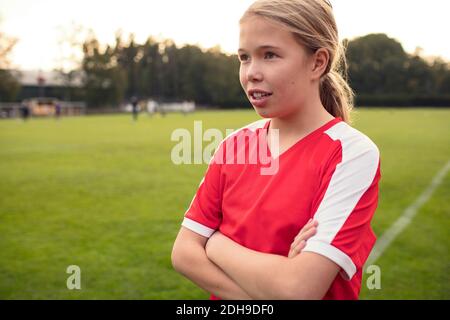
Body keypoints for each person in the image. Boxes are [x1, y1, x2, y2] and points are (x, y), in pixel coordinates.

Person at [172, 0, 381, 300]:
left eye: (269, 55)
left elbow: (299, 289)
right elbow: (183, 253)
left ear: (317, 62)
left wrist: (215, 243)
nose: (251, 73)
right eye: (244, 58)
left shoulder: (351, 154)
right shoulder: (233, 146)